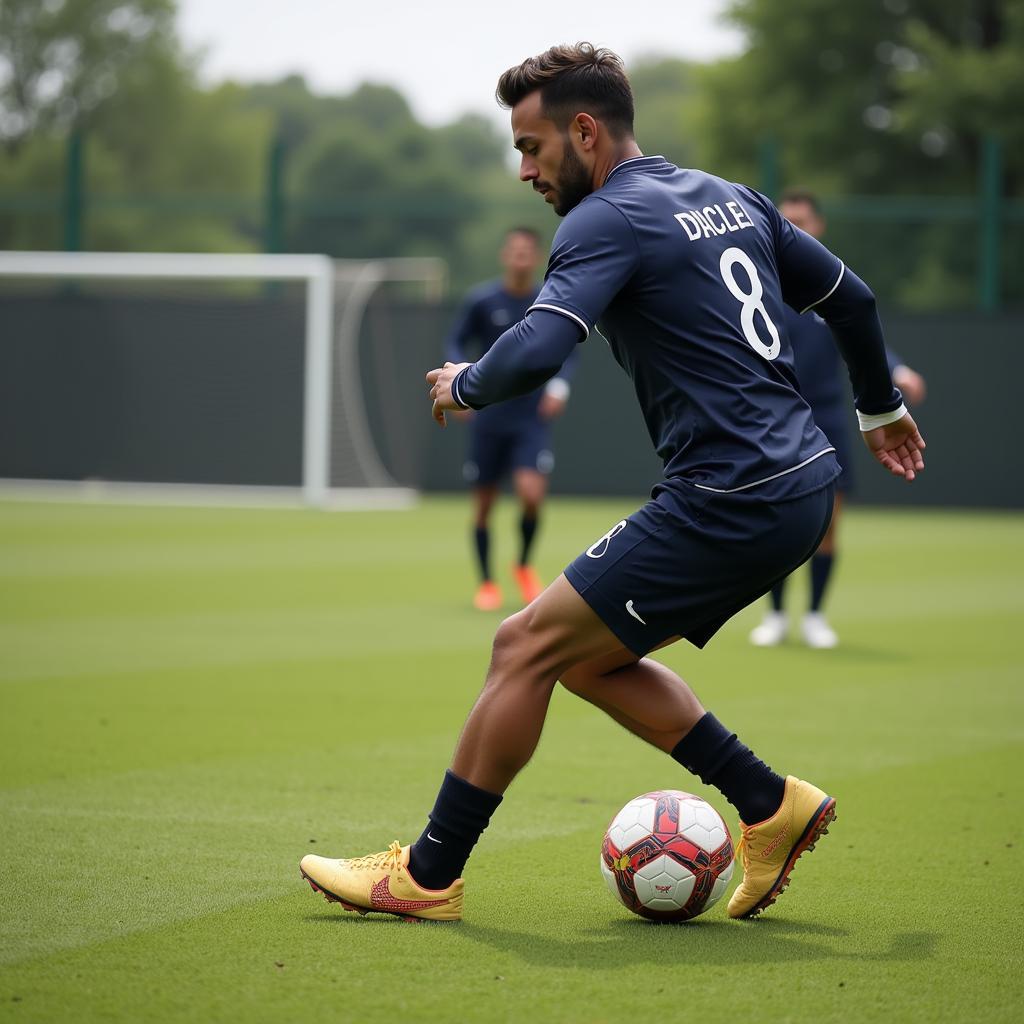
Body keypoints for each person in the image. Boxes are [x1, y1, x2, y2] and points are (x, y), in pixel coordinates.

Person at [300, 43, 925, 924]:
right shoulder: (730, 196)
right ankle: (766, 803)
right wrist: (879, 408)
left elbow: (540, 347)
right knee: (585, 658)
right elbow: (852, 300)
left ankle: (428, 876)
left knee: (523, 647)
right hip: (801, 482)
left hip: (731, 492)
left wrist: (465, 382)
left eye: (532, 146)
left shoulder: (605, 221)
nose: (524, 169)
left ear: (585, 131)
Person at [749, 189, 927, 649]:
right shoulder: (756, 284)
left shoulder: (827, 284)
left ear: (818, 226)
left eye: (801, 220)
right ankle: (775, 618)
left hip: (826, 416)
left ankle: (813, 616)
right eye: (785, 220)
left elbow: (864, 334)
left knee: (828, 521)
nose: (793, 227)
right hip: (773, 418)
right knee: (775, 520)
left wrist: (898, 370)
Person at [446, 227, 575, 611]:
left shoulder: (546, 300)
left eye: (527, 252)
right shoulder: (482, 301)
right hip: (488, 416)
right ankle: (486, 582)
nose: (520, 257)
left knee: (531, 496)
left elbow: (569, 349)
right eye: (514, 251)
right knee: (484, 505)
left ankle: (522, 565)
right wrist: (461, 388)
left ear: (535, 258)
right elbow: (454, 341)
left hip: (530, 418)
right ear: (505, 255)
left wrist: (560, 387)